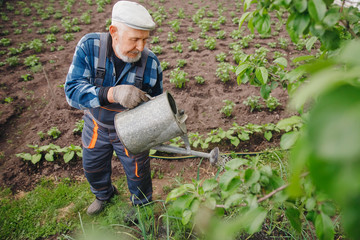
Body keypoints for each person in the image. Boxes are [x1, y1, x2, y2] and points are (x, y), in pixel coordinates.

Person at [64, 1, 163, 215]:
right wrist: (112, 93)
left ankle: (142, 206)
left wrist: (164, 117)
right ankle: (104, 195)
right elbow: (72, 92)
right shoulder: (90, 47)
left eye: (145, 39)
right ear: (114, 32)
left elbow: (156, 104)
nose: (141, 47)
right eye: (135, 39)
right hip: (97, 125)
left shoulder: (151, 64)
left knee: (138, 171)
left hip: (132, 130)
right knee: (93, 166)